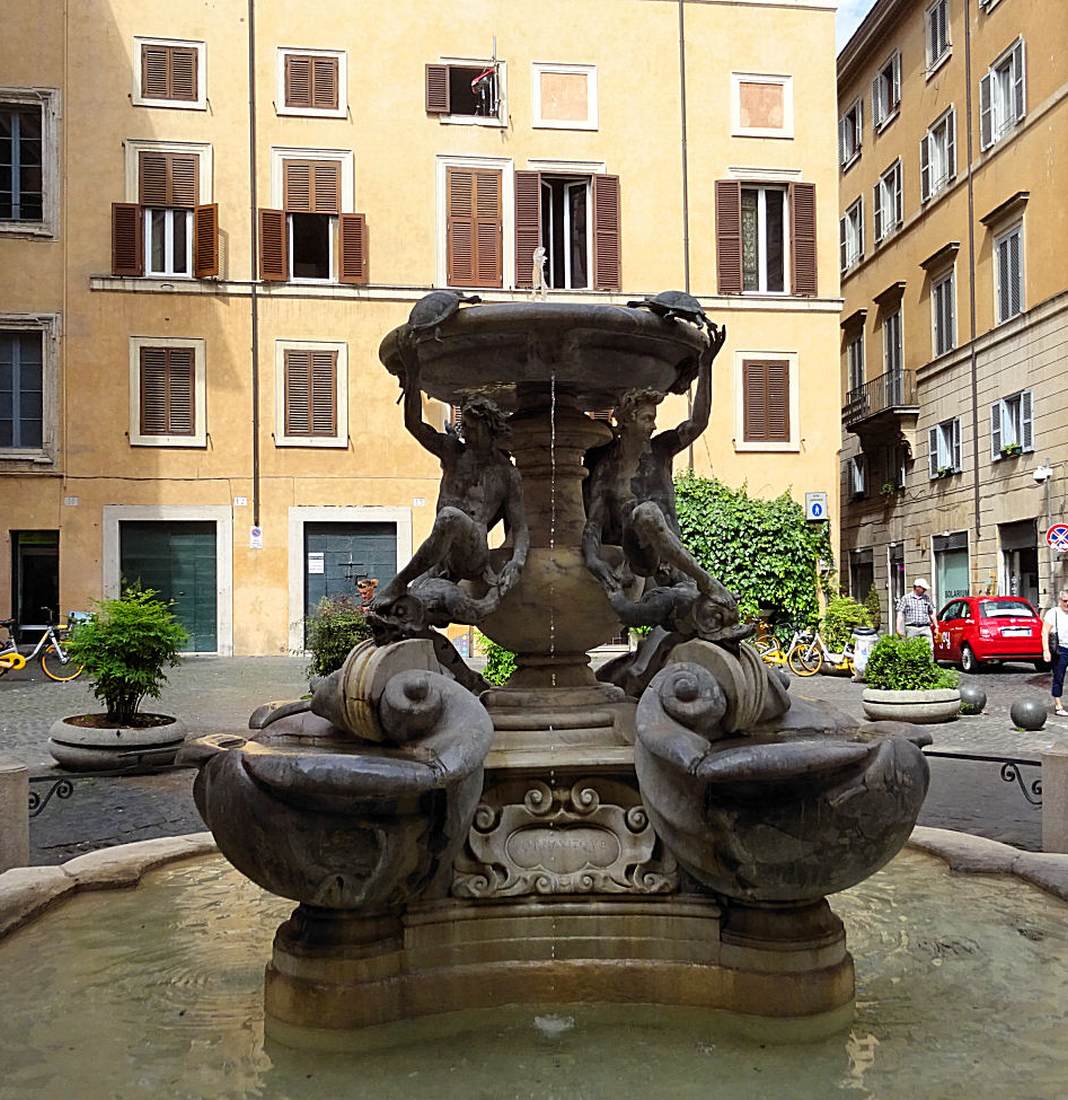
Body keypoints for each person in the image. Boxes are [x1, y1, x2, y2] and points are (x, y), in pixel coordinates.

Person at [1041, 588, 1068, 718]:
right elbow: (1044, 632)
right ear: (1060, 601)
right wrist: (1046, 650)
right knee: (1059, 677)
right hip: (1060, 650)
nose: (1067, 603)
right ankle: (1058, 705)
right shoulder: (1053, 613)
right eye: (1065, 601)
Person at [896, 577, 937, 647]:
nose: (925, 590)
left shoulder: (927, 598)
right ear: (917, 587)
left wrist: (936, 626)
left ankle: (929, 658)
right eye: (923, 588)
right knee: (912, 649)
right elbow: (900, 614)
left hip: (925, 627)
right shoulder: (906, 598)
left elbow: (931, 613)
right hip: (912, 628)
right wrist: (898, 628)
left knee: (930, 648)